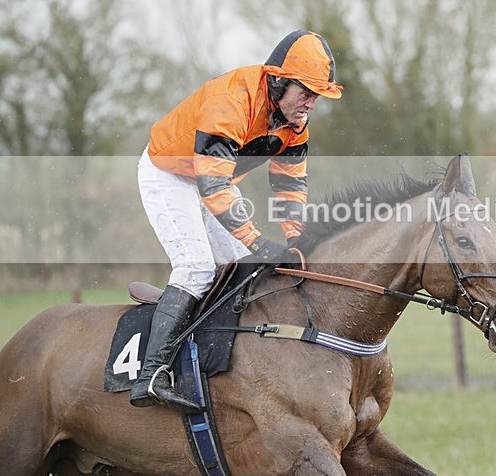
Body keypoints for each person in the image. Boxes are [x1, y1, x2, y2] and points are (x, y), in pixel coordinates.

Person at [131, 30, 342, 412]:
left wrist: (299, 238)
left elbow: (289, 183)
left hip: (216, 180)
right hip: (171, 174)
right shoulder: (231, 102)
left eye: (317, 96)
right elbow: (211, 185)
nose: (311, 103)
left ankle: (217, 360)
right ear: (278, 81)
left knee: (242, 268)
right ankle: (152, 375)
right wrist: (258, 241)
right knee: (197, 268)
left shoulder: (293, 123)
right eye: (306, 93)